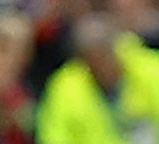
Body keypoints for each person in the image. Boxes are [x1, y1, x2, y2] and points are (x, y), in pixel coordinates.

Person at [36, 12, 159, 144]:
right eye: (92, 61)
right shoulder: (64, 87)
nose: (100, 67)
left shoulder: (151, 70)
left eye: (104, 57)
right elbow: (52, 137)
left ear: (114, 50)